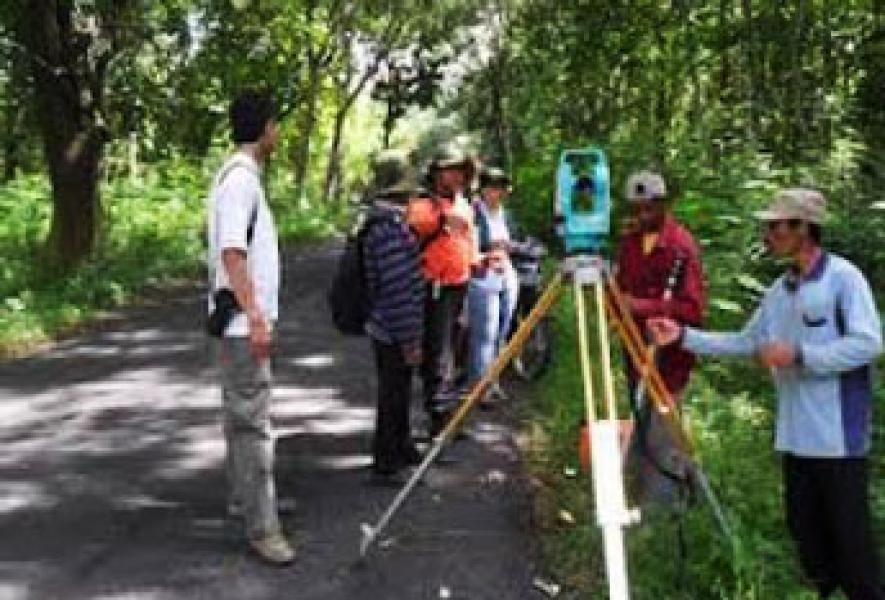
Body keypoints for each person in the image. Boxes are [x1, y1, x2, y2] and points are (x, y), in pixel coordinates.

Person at [647, 188, 883, 600]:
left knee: (853, 554)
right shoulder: (779, 291)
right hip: (795, 439)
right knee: (808, 543)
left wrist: (800, 354)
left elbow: (868, 343)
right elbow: (745, 342)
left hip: (838, 441)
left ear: (803, 228)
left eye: (776, 226)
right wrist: (681, 336)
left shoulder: (843, 279)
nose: (768, 234)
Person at [206, 90, 294, 565]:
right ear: (263, 129)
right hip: (242, 324)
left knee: (241, 419)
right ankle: (263, 529)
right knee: (252, 425)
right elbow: (232, 253)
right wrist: (256, 316)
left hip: (241, 321)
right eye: (274, 124)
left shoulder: (239, 177)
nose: (277, 132)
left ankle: (248, 501)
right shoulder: (241, 181)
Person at [615, 170, 706, 507]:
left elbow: (692, 309)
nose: (642, 216)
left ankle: (663, 512)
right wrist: (617, 308)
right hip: (635, 349)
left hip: (669, 359)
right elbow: (621, 288)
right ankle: (636, 497)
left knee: (662, 432)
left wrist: (641, 306)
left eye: (649, 208)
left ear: (663, 205)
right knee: (641, 425)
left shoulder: (681, 246)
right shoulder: (630, 243)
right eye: (636, 208)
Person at [362, 151, 426, 484]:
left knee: (398, 390)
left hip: (386, 325)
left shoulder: (385, 223)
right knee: (393, 395)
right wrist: (410, 339)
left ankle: (400, 448)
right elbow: (398, 289)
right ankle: (386, 462)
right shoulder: (389, 229)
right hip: (391, 327)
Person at [409, 141, 477, 435]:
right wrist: (442, 218)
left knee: (457, 348)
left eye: (461, 170)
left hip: (460, 284)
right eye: (451, 170)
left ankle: (450, 410)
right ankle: (439, 417)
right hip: (435, 287)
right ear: (436, 173)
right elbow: (416, 224)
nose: (457, 176)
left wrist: (478, 261)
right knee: (439, 352)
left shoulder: (463, 204)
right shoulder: (425, 204)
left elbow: (467, 240)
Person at [467, 166, 520, 407]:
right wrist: (490, 248)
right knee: (484, 335)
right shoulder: (473, 214)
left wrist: (512, 246)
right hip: (483, 278)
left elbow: (517, 239)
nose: (497, 193)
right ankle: (480, 386)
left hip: (507, 274)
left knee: (502, 332)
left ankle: (494, 381)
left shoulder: (507, 215)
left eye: (501, 189)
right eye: (492, 188)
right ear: (483, 190)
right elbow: (468, 246)